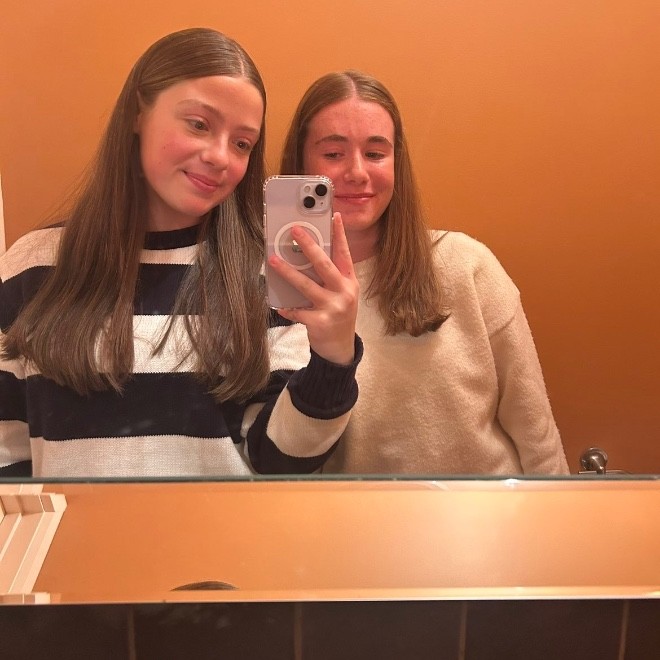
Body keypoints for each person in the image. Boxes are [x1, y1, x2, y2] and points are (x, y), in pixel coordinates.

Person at [0, 29, 360, 478]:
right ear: (138, 113)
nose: (221, 157)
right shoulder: (32, 267)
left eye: (242, 143)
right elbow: (7, 453)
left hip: (223, 525)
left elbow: (281, 461)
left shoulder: (264, 274)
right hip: (70, 527)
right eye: (199, 124)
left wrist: (333, 359)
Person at [280, 70, 569, 475]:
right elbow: (280, 455)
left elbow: (536, 434)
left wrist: (555, 509)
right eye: (333, 153)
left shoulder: (466, 265)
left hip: (486, 509)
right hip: (353, 512)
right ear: (301, 164)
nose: (357, 172)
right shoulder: (278, 286)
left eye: (375, 153)